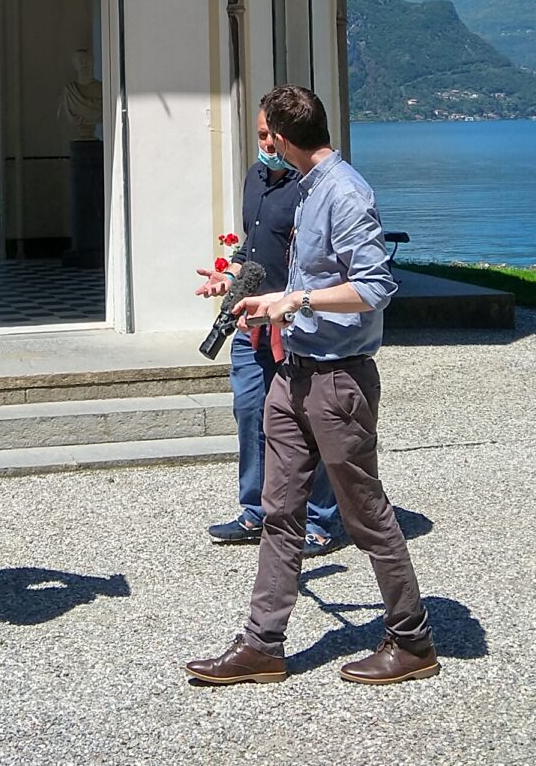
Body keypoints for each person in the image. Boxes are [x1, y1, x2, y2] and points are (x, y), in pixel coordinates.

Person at [185, 85, 438, 688]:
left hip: (337, 379)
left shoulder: (345, 192)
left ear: (280, 136)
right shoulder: (306, 187)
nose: (262, 145)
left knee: (365, 512)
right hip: (293, 373)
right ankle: (262, 645)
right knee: (280, 512)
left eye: (265, 134)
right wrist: (257, 296)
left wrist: (296, 300)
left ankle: (412, 640)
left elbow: (375, 287)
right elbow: (305, 277)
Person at [197, 103, 346, 556]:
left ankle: (319, 519)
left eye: (271, 135)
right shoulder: (254, 178)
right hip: (252, 321)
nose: (266, 143)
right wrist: (229, 275)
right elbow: (252, 247)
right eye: (260, 134)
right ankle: (257, 510)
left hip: (295, 323)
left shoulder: (309, 185)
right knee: (250, 411)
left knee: (308, 417)